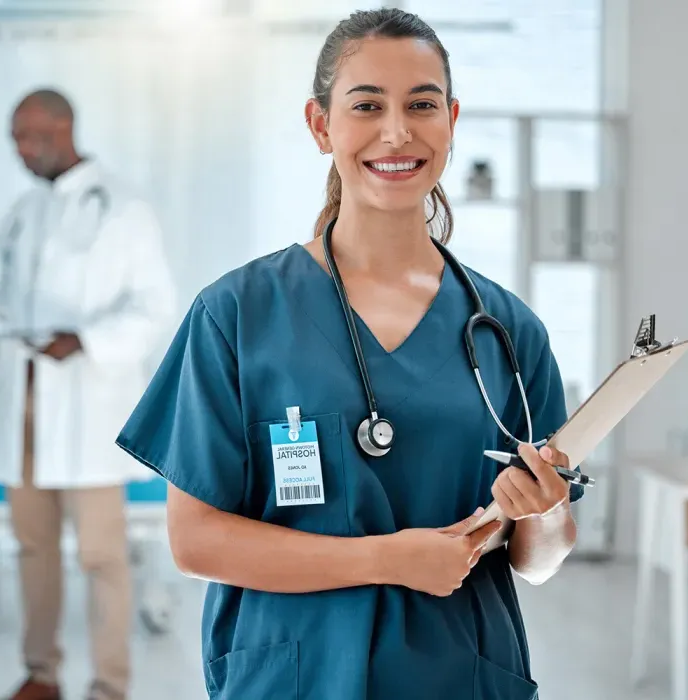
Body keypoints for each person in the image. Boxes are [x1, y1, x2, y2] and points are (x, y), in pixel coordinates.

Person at [115, 9, 585, 700]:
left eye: (422, 105)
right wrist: (386, 559)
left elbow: (536, 561)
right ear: (320, 124)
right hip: (293, 679)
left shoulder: (508, 331)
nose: (397, 132)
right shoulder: (237, 314)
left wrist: (543, 512)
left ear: (451, 120)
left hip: (458, 676)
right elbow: (196, 542)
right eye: (367, 105)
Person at [0, 89, 176, 700]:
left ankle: (107, 684)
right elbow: (6, 299)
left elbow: (155, 308)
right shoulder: (22, 211)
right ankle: (41, 672)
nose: (20, 150)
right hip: (26, 408)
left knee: (101, 557)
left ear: (63, 126)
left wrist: (86, 340)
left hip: (90, 412)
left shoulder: (123, 207)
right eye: (14, 138)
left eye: (29, 136)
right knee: (33, 548)